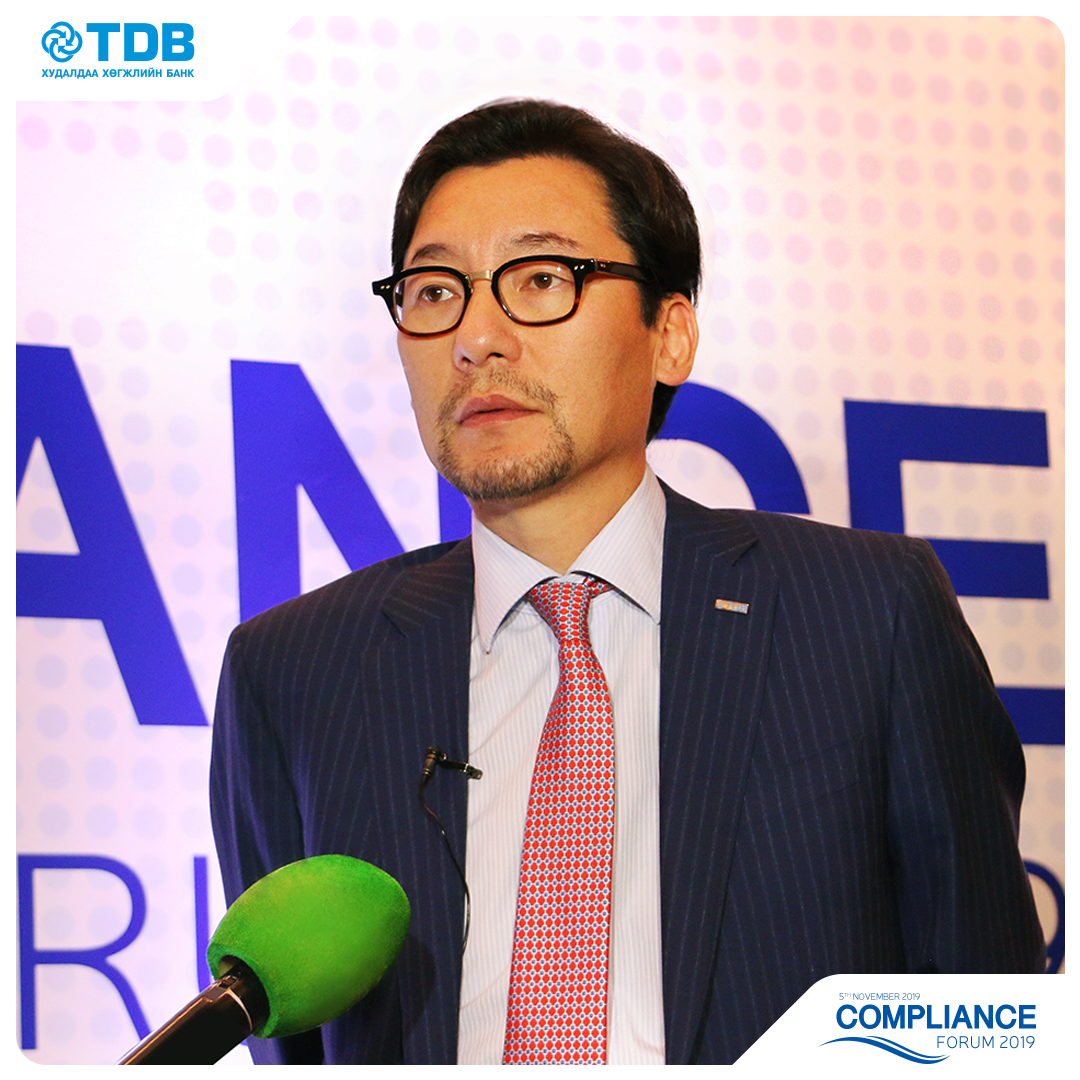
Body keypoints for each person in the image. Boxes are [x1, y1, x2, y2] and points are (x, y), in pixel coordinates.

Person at [210, 99, 1045, 1066]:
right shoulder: (294, 671)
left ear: (670, 334)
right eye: (435, 292)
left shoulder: (865, 614)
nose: (476, 338)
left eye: (540, 279)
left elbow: (988, 1022)